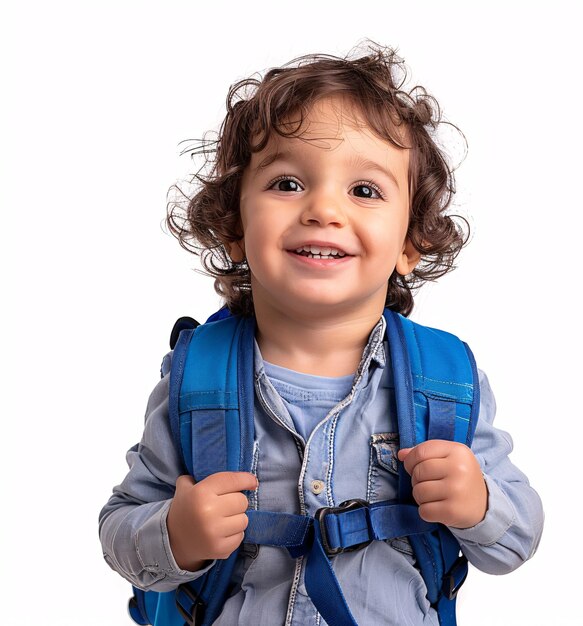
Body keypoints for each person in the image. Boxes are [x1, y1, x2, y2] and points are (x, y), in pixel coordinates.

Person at [99, 43, 544, 625]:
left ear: (410, 245)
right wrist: (175, 535)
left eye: (365, 191)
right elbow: (121, 528)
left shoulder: (445, 382)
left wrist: (478, 504)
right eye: (286, 183)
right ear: (235, 228)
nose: (323, 209)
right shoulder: (195, 380)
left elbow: (516, 541)